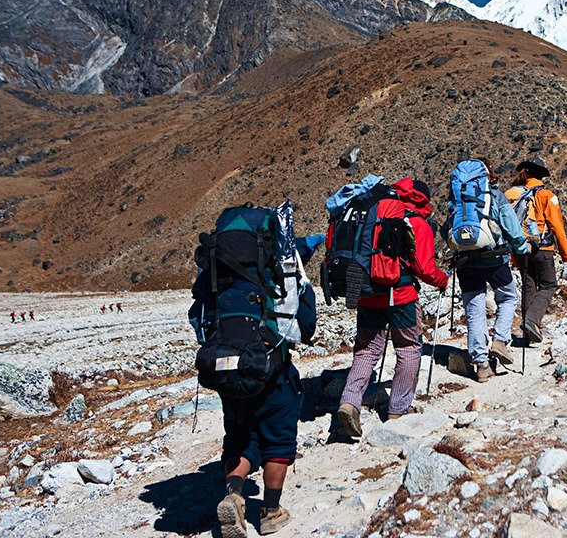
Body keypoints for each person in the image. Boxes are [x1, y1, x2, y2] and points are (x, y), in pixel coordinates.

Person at [188, 226, 324, 538]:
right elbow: (305, 325)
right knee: (277, 438)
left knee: (239, 436)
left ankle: (233, 493)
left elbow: (198, 320)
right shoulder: (282, 265)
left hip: (225, 366)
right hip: (269, 367)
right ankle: (271, 512)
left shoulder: (213, 268)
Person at [336, 178, 448, 437]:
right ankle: (398, 409)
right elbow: (424, 268)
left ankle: (349, 402)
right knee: (408, 347)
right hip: (400, 295)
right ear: (422, 200)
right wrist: (442, 280)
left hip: (366, 293)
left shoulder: (372, 215)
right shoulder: (415, 222)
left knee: (366, 350)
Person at [441, 159, 530, 383]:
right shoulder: (494, 197)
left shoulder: (457, 199)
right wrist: (521, 248)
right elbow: (511, 226)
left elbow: (446, 229)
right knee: (509, 297)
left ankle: (481, 365)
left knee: (474, 311)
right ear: (487, 175)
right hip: (494, 259)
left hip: (465, 263)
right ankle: (500, 340)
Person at [505, 156, 567, 343]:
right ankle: (532, 321)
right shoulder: (546, 196)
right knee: (549, 285)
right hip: (542, 247)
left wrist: (514, 257)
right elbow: (557, 226)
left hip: (520, 248)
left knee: (529, 287)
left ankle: (528, 333)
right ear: (542, 176)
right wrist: (566, 255)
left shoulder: (512, 195)